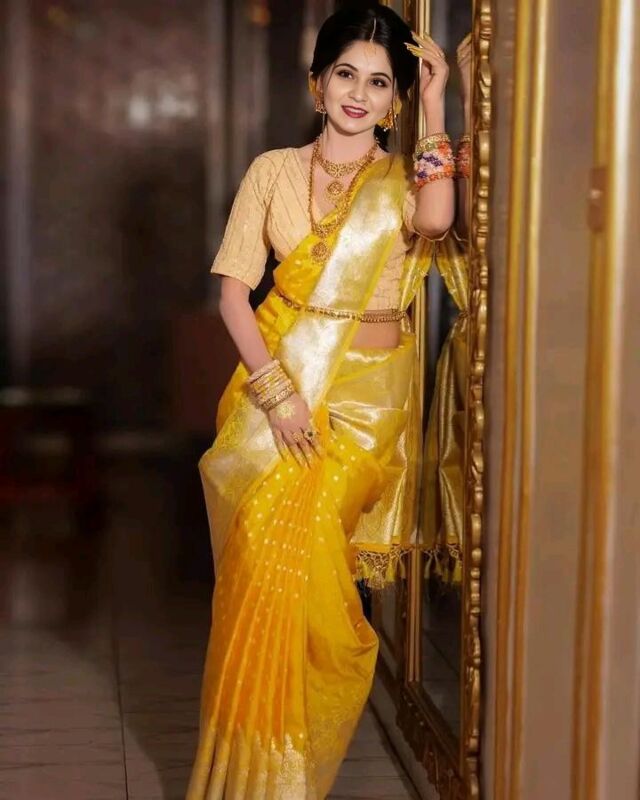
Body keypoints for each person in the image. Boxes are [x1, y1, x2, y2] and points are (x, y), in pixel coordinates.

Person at [186, 3, 462, 797]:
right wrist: (278, 397)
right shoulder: (271, 172)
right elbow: (234, 296)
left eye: (379, 83)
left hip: (369, 404)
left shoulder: (402, 178)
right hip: (283, 386)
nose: (358, 94)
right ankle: (260, 768)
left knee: (310, 564)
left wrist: (436, 103)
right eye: (346, 74)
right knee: (262, 557)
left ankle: (289, 761)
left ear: (394, 102)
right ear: (317, 83)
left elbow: (437, 220)